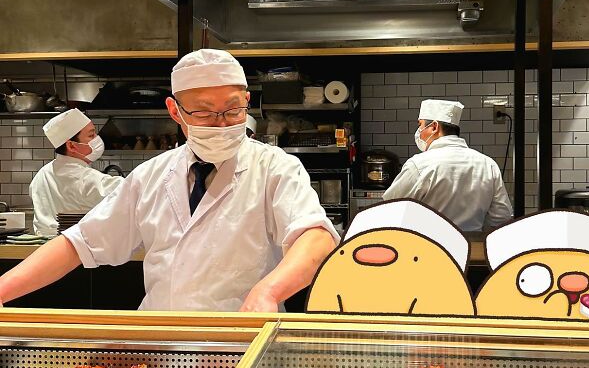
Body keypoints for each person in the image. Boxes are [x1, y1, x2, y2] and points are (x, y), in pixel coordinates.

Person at [0, 50, 339, 312]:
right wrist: (2, 289)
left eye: (233, 110)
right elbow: (80, 243)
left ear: (247, 102)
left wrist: (269, 292)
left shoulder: (275, 167)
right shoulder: (151, 175)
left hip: (241, 346)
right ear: (175, 111)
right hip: (163, 345)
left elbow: (315, 238)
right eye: (204, 112)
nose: (221, 124)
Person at [382, 99, 513, 232]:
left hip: (429, 248)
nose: (419, 131)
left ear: (434, 127)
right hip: (472, 248)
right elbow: (502, 217)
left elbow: (389, 210)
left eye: (420, 125)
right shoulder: (488, 165)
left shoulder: (419, 165)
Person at [29, 109, 124, 237]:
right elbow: (130, 189)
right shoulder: (84, 178)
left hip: (42, 248)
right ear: (71, 146)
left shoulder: (42, 174)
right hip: (75, 248)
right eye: (91, 135)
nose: (97, 139)